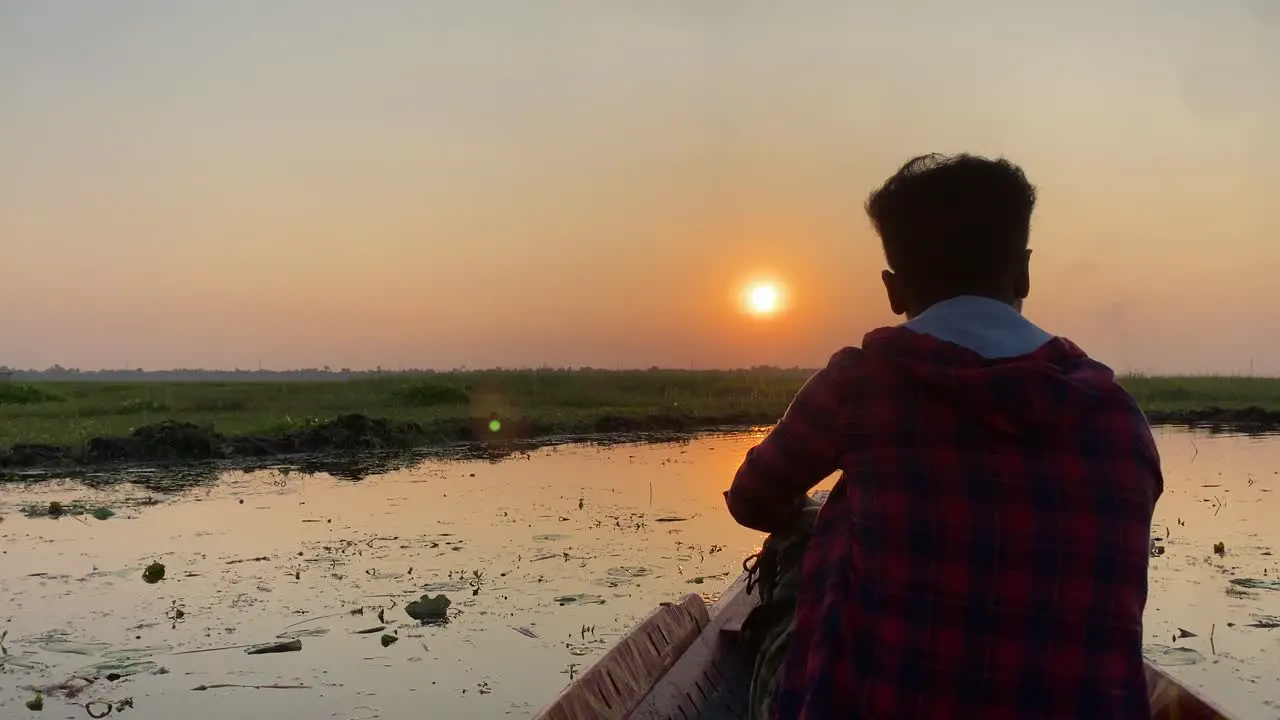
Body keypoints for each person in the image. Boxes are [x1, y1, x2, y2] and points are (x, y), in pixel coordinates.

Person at [725, 153, 1164, 719]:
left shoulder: (861, 383)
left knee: (801, 540)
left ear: (893, 289)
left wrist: (812, 521)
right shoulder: (1116, 416)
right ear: (1024, 271)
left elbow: (750, 499)